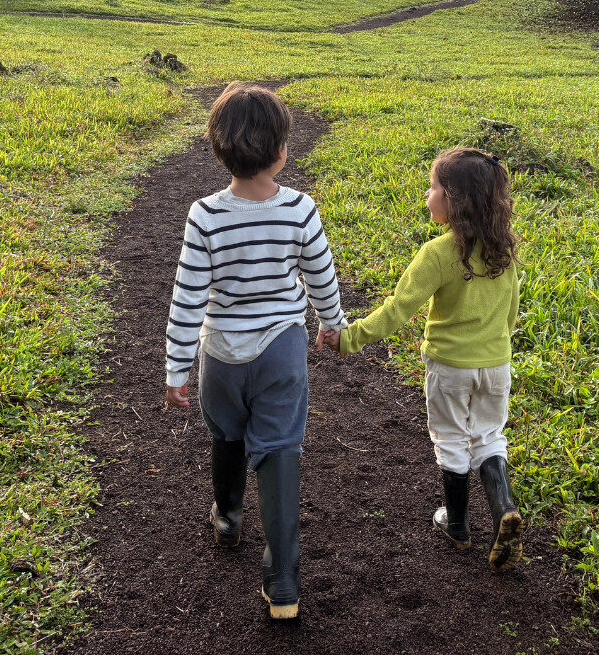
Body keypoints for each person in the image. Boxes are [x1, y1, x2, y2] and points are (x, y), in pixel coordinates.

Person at [164, 82, 347, 620]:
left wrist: (177, 368)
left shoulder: (205, 216)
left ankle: (227, 518)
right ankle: (283, 582)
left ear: (217, 148)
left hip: (220, 353)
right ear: (283, 151)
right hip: (282, 350)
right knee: (280, 446)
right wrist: (330, 324)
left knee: (226, 432)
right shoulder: (301, 209)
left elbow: (187, 297)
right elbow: (322, 276)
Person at [320, 146, 523, 570]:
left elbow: (398, 309)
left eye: (433, 188)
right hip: (497, 363)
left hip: (451, 367)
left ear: (454, 200)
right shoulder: (504, 251)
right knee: (488, 436)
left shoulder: (438, 253)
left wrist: (350, 337)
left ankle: (458, 525)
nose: (427, 195)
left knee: (450, 438)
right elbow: (511, 312)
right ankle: (504, 508)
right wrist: (496, 346)